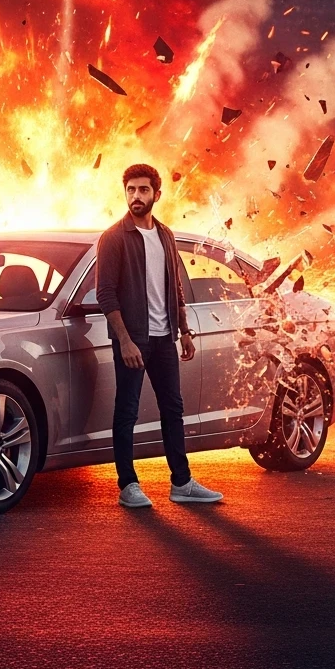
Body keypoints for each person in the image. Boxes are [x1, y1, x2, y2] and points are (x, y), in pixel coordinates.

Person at [95, 163, 223, 509]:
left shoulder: (165, 234)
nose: (136, 196)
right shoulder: (114, 238)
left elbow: (175, 288)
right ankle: (128, 485)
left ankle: (181, 482)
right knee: (127, 411)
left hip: (165, 337)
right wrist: (124, 340)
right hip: (134, 340)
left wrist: (184, 331)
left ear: (157, 194)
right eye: (131, 190)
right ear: (125, 194)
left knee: (173, 409)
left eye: (143, 190)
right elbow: (105, 293)